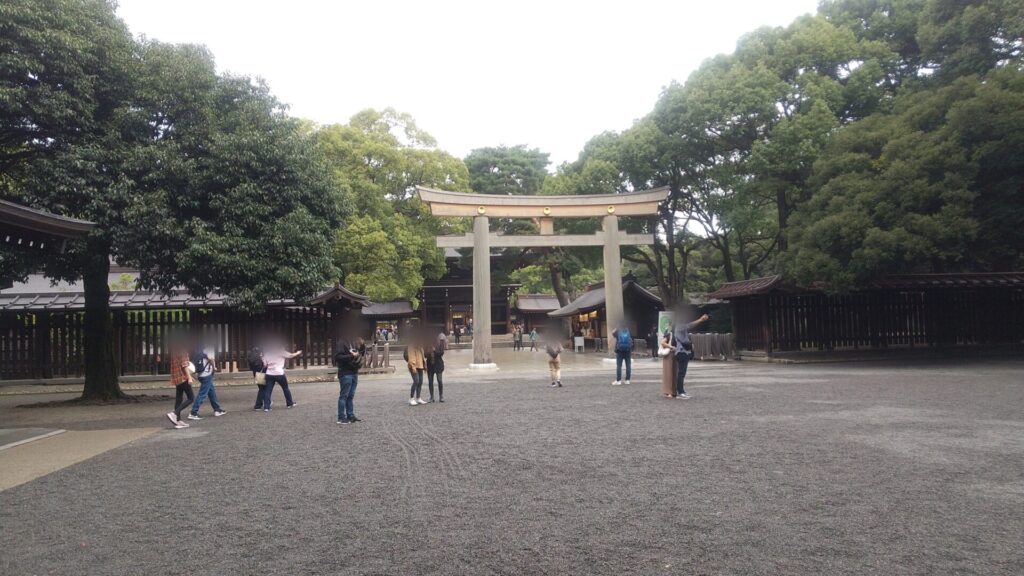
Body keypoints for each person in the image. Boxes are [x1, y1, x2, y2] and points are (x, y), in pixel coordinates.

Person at [671, 313, 711, 399]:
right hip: (682, 352)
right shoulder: (679, 326)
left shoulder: (679, 327)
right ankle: (680, 392)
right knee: (681, 373)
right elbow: (689, 325)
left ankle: (682, 391)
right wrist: (700, 319)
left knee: (682, 372)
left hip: (684, 352)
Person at [188, 345, 226, 420]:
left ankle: (217, 409)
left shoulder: (200, 351)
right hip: (207, 375)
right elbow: (211, 359)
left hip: (200, 375)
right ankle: (193, 412)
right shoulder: (210, 349)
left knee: (212, 392)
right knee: (202, 394)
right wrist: (214, 368)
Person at [262, 342, 302, 411]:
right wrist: (298, 353)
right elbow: (291, 355)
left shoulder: (267, 354)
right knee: (285, 388)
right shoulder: (281, 352)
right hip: (279, 373)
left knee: (268, 390)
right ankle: (290, 403)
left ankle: (266, 407)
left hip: (269, 374)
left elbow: (265, 365)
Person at [335, 338, 364, 424]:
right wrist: (351, 356)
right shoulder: (341, 342)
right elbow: (337, 357)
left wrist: (362, 346)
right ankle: (341, 417)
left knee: (351, 395)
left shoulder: (354, 342)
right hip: (345, 372)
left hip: (354, 372)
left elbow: (361, 352)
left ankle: (350, 415)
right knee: (344, 396)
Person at [166, 347, 194, 428]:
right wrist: (189, 377)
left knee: (179, 399)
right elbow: (184, 365)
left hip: (177, 378)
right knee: (191, 398)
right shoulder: (183, 350)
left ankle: (177, 421)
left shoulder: (174, 350)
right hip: (183, 378)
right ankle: (174, 414)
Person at [406, 336, 426, 406]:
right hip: (413, 366)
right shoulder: (411, 346)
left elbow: (422, 356)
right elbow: (411, 357)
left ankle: (418, 397)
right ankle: (411, 398)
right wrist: (413, 367)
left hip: (420, 365)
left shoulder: (420, 346)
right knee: (416, 381)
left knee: (420, 382)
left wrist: (424, 365)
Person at [425, 338, 445, 403]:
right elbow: (424, 355)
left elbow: (441, 353)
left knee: (439, 380)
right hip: (430, 366)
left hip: (438, 365)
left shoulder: (440, 342)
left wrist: (434, 350)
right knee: (430, 382)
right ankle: (431, 396)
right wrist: (429, 351)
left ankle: (441, 396)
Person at [248, 345, 267, 410]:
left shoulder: (251, 357)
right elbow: (264, 365)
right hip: (260, 373)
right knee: (262, 389)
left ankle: (265, 402)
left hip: (255, 373)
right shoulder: (259, 358)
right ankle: (258, 405)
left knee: (262, 389)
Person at [660, 328, 677, 398]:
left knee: (673, 373)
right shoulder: (669, 333)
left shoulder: (674, 332)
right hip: (669, 354)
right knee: (669, 373)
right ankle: (669, 391)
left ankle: (672, 391)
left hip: (674, 354)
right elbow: (663, 342)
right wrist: (671, 347)